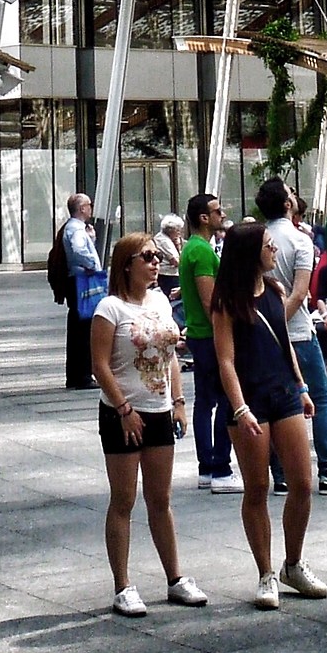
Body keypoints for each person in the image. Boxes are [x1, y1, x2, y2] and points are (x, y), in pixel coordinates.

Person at [210, 219, 326, 609]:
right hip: (249, 400)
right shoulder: (227, 302)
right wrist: (239, 407)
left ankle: (293, 563)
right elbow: (225, 360)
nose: (274, 249)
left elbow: (285, 344)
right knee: (256, 487)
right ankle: (265, 573)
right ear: (249, 253)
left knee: (302, 483)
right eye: (267, 244)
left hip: (284, 393)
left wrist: (302, 386)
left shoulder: (275, 290)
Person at [91, 234, 207, 614]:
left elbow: (169, 355)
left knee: (162, 499)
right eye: (148, 257)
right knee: (123, 500)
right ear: (127, 264)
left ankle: (175, 577)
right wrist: (124, 409)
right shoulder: (109, 309)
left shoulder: (159, 301)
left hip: (158, 409)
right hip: (122, 412)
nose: (156, 262)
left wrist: (178, 401)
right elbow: (100, 365)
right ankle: (122, 584)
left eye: (157, 256)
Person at [260, 180, 327, 493]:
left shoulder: (257, 239)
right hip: (298, 332)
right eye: (291, 193)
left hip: (264, 333)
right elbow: (301, 290)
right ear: (288, 204)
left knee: (275, 403)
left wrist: (267, 327)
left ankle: (281, 475)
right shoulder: (299, 240)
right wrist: (280, 323)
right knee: (321, 399)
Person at [177, 191, 235, 493]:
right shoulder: (200, 251)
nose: (221, 214)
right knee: (224, 400)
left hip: (200, 334)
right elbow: (209, 298)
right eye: (217, 211)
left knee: (205, 401)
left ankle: (207, 467)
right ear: (203, 217)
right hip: (209, 335)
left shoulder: (195, 248)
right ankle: (220, 468)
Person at [56, 193, 102, 390]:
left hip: (76, 281)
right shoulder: (75, 229)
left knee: (78, 328)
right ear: (82, 208)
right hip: (81, 282)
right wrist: (92, 264)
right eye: (89, 205)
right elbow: (78, 250)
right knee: (84, 329)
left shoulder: (75, 228)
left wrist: (90, 238)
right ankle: (82, 375)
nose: (91, 208)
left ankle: (76, 375)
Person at [153, 214, 185, 304]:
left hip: (169, 274)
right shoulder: (163, 240)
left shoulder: (167, 239)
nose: (179, 233)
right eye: (177, 230)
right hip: (168, 275)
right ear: (170, 230)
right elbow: (176, 261)